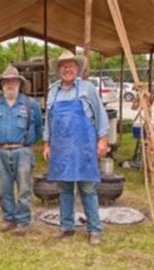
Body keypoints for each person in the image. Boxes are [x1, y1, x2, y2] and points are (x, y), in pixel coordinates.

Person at [43, 51, 109, 246]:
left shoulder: (87, 89)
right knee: (64, 189)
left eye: (71, 65)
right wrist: (47, 143)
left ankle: (94, 229)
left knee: (87, 188)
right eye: (63, 66)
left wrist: (103, 139)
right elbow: (49, 120)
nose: (67, 69)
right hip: (61, 148)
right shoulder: (53, 91)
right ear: (58, 70)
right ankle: (66, 226)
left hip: (84, 147)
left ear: (77, 68)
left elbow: (100, 114)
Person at [0, 65, 42, 236]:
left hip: (23, 151)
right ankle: (8, 218)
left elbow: (38, 128)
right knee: (4, 188)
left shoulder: (30, 104)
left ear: (19, 83)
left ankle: (23, 221)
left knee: (24, 188)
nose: (10, 84)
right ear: (1, 84)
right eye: (6, 81)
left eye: (13, 81)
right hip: (0, 152)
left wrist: (25, 144)